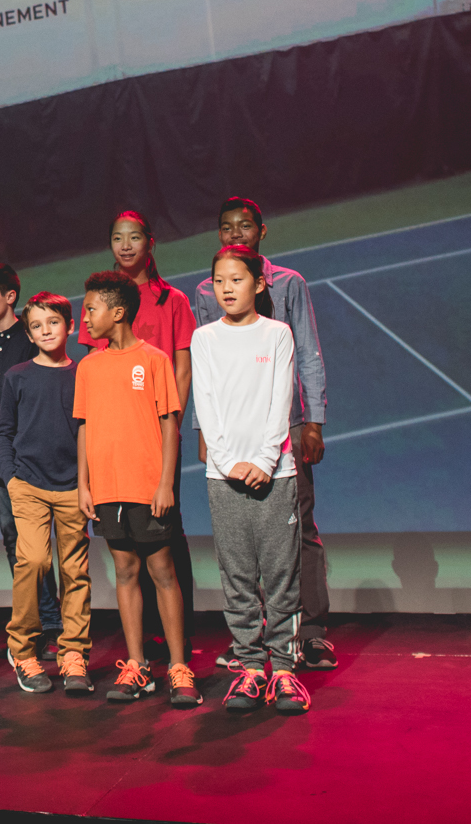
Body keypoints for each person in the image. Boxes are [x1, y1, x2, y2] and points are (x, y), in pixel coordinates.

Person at [190, 197, 333, 670]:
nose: (236, 233)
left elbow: (307, 351)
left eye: (245, 226)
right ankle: (250, 640)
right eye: (227, 227)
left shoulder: (289, 283)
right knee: (240, 542)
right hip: (229, 436)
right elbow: (206, 376)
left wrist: (312, 419)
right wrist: (206, 435)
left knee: (297, 532)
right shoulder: (207, 294)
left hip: (283, 426)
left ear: (261, 231)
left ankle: (307, 631)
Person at [74, 271, 200, 710]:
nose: (83, 318)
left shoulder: (155, 361)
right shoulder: (88, 367)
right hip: (107, 490)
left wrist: (165, 483)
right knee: (125, 573)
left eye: (90, 309)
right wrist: (84, 484)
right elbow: (85, 428)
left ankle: (180, 666)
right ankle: (137, 664)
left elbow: (170, 425)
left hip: (148, 488)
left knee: (163, 573)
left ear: (119, 312)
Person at [196, 245, 309, 716]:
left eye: (237, 279)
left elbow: (280, 401)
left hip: (274, 473)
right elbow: (206, 406)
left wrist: (264, 461)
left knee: (280, 575)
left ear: (259, 284)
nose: (227, 288)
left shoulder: (277, 333)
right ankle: (249, 668)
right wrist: (226, 462)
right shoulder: (204, 339)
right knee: (237, 575)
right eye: (220, 280)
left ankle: (283, 669)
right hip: (223, 478)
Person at [0, 292, 94, 695]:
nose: (45, 331)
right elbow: (4, 432)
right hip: (29, 486)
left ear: (69, 325)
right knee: (33, 561)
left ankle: (73, 653)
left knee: (75, 573)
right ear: (29, 332)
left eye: (53, 322)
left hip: (73, 487)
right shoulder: (18, 375)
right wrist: (11, 478)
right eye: (36, 325)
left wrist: (88, 483)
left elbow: (92, 431)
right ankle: (22, 649)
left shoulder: (84, 373)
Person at [0, 263, 61, 660]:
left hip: (34, 456)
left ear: (9, 297)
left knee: (42, 543)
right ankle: (31, 624)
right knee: (14, 541)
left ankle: (56, 625)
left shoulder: (32, 337)